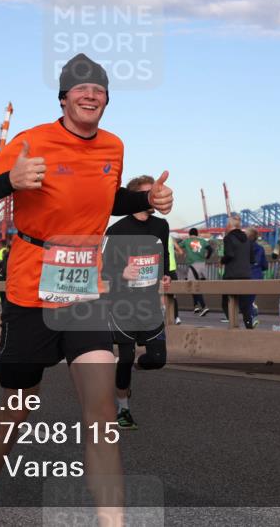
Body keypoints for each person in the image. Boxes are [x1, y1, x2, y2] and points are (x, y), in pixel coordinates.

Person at [0, 53, 173, 527]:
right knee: (19, 404)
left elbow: (106, 197)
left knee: (102, 410)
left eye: (99, 89)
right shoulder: (31, 141)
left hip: (84, 294)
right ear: (64, 97)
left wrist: (144, 200)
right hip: (30, 289)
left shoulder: (113, 146)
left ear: (107, 99)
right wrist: (9, 181)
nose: (90, 94)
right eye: (80, 88)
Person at [103, 175, 170, 430]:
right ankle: (123, 408)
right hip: (122, 303)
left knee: (157, 359)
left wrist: (167, 274)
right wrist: (121, 273)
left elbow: (164, 254)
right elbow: (103, 268)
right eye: (148, 193)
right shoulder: (116, 230)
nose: (153, 197)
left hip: (150, 302)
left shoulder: (161, 226)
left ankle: (125, 382)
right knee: (126, 357)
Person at [221, 214, 256, 327]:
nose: (225, 227)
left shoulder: (228, 238)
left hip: (231, 275)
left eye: (226, 225)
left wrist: (222, 260)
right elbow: (252, 259)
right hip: (246, 275)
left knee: (226, 303)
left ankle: (233, 325)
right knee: (245, 305)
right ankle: (249, 325)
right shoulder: (247, 239)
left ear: (230, 225)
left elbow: (229, 255)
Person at [180, 228, 213, 316]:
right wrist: (207, 257)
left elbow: (177, 246)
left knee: (193, 287)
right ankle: (196, 306)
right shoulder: (202, 241)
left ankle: (204, 306)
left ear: (189, 234)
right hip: (202, 265)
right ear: (197, 234)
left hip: (192, 266)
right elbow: (211, 249)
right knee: (197, 286)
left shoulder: (187, 241)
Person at [247, 228, 268, 325]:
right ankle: (252, 314)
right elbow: (265, 265)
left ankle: (252, 315)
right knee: (250, 297)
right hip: (257, 276)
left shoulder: (243, 248)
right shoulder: (260, 248)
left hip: (246, 275)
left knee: (245, 298)